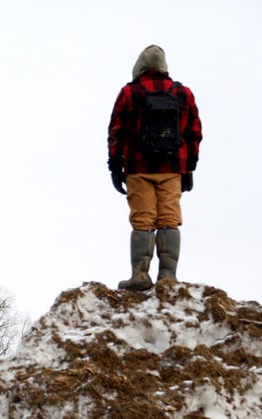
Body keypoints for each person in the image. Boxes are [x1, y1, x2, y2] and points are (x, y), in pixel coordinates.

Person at [108, 45, 202, 290]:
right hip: (172, 169)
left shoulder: (129, 93)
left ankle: (140, 276)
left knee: (143, 221)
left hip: (138, 168)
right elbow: (194, 133)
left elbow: (115, 132)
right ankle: (168, 277)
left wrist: (115, 166)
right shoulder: (183, 94)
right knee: (169, 219)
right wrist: (189, 169)